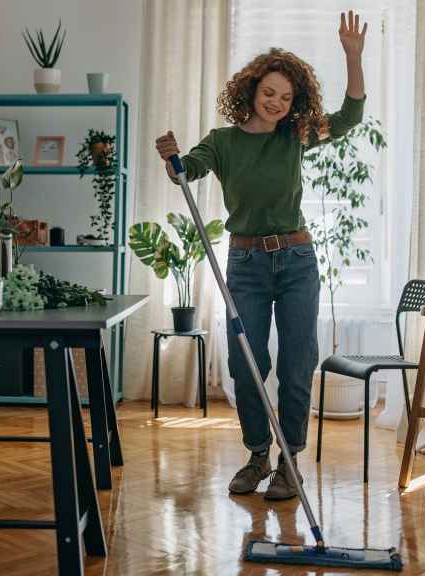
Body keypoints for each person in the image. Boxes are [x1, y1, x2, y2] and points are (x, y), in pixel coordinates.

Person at [155, 11, 368, 500]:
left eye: (286, 97)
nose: (276, 102)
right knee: (246, 364)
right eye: (269, 92)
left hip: (297, 261)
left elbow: (350, 117)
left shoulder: (294, 135)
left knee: (297, 361)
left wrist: (353, 57)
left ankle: (289, 460)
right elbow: (187, 170)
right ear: (251, 90)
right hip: (246, 266)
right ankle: (256, 455)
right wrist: (172, 158)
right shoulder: (223, 142)